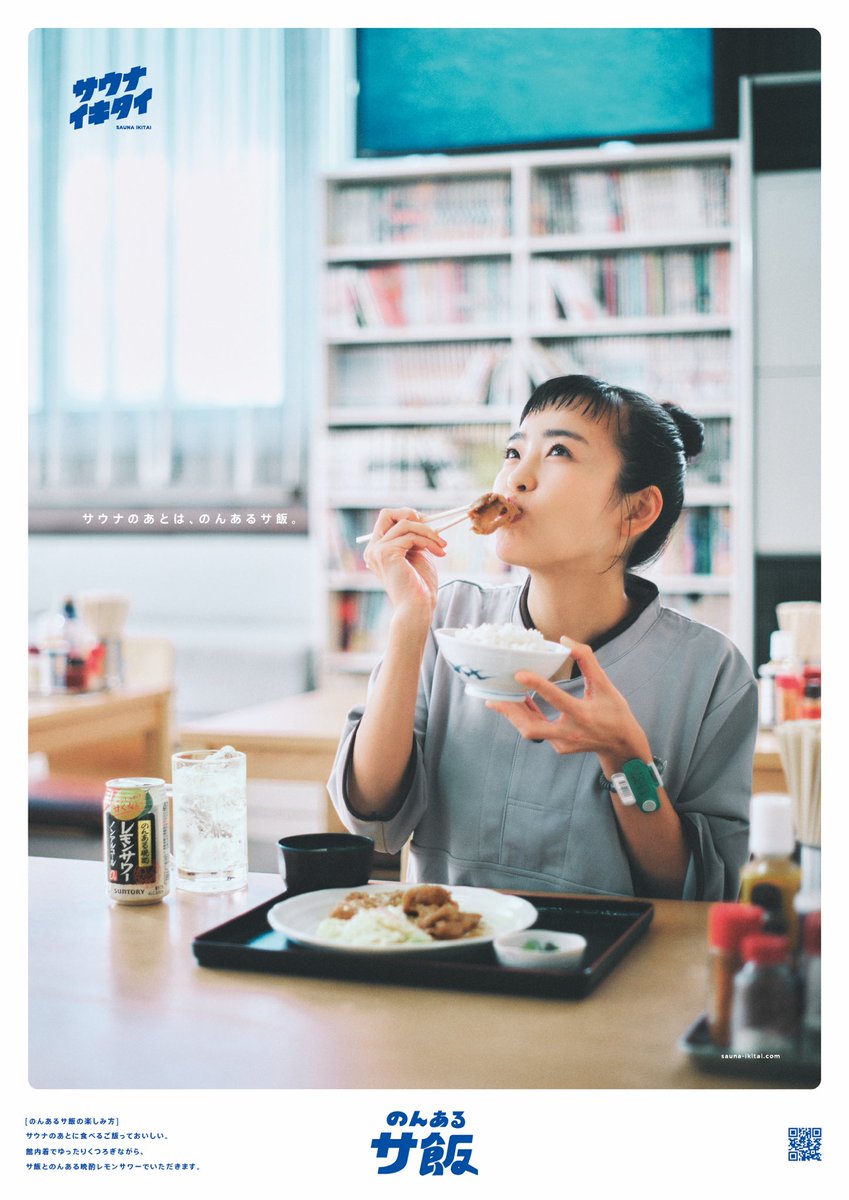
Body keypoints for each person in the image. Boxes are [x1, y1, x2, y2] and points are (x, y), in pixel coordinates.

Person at [327, 375, 757, 900]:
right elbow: (371, 813)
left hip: (617, 952)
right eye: (513, 451)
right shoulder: (448, 618)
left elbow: (699, 892)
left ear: (637, 509)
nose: (516, 477)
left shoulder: (712, 672)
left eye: (558, 452)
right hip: (450, 942)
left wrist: (626, 759)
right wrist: (408, 621)